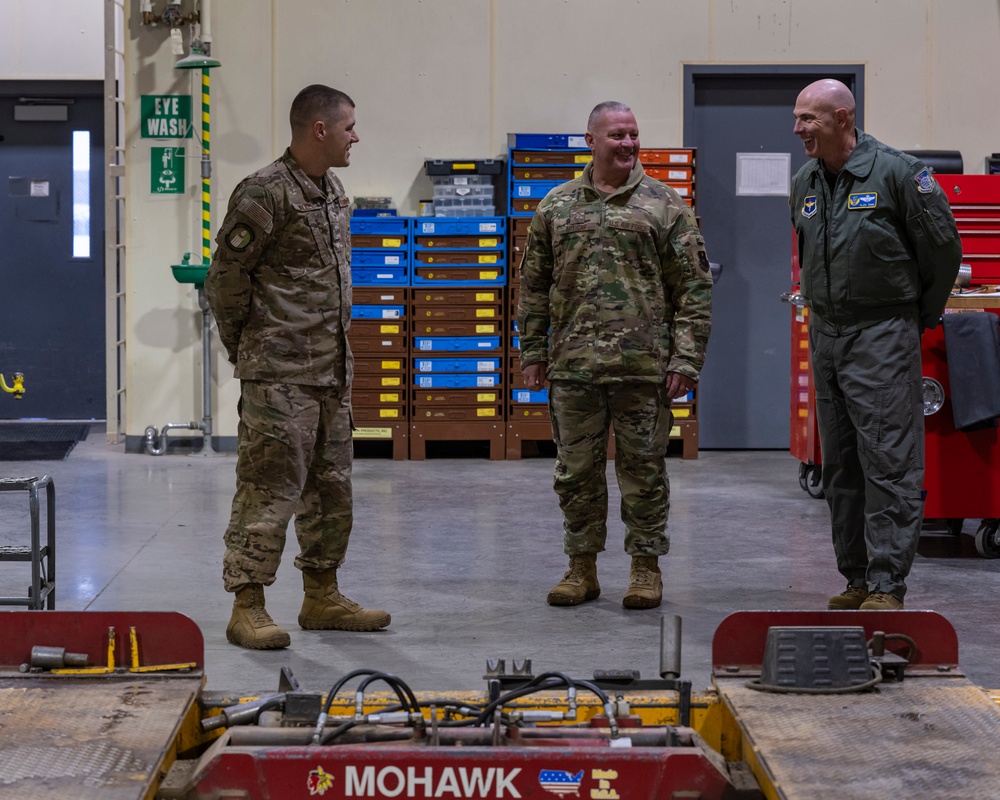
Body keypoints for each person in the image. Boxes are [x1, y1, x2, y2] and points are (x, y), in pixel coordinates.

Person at [205, 84, 390, 650]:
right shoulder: (265, 192)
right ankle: (248, 605)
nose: (356, 135)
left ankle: (321, 595)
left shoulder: (332, 190)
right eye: (350, 126)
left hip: (332, 371)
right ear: (320, 129)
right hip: (279, 374)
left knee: (331, 490)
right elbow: (225, 279)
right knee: (268, 490)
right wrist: (250, 350)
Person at [517, 101, 713, 610]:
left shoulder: (667, 206)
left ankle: (645, 568)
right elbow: (533, 286)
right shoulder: (555, 207)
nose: (627, 144)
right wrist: (532, 352)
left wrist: (685, 361)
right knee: (575, 473)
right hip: (573, 367)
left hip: (643, 368)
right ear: (591, 140)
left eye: (633, 135)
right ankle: (581, 568)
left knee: (644, 470)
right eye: (617, 135)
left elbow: (694, 288)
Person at [790, 79, 962, 610]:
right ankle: (858, 579)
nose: (798, 130)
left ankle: (888, 585)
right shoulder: (805, 182)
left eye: (809, 119)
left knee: (889, 460)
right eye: (797, 119)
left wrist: (914, 317)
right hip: (827, 333)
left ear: (843, 118)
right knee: (841, 462)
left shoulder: (899, 173)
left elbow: (943, 253)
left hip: (882, 333)